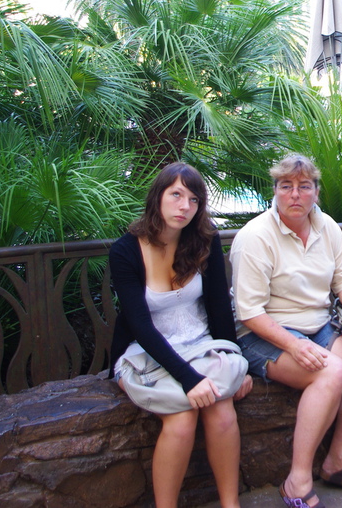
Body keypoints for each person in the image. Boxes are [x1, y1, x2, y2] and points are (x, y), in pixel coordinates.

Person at [231, 153, 342, 508]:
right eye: (286, 186)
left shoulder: (325, 226)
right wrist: (293, 345)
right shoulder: (255, 237)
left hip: (317, 326)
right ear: (274, 191)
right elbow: (249, 312)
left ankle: (337, 461)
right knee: (330, 371)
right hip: (261, 335)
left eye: (304, 186)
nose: (295, 195)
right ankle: (297, 481)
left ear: (316, 192)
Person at [109, 162, 253, 508]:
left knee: (221, 410)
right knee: (182, 418)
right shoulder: (125, 251)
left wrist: (238, 362)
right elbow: (140, 326)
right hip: (145, 353)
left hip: (200, 345)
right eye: (176, 195)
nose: (184, 206)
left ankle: (230, 504)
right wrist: (189, 380)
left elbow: (219, 307)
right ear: (157, 196)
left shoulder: (205, 240)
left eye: (193, 199)